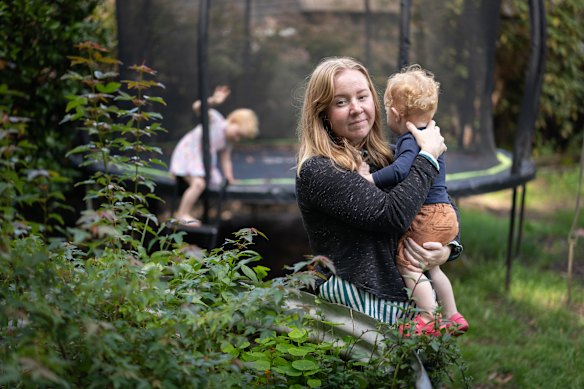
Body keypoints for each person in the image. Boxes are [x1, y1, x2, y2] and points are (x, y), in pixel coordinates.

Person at [295, 56, 463, 334]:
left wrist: (446, 249)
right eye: (341, 102)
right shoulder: (318, 170)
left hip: (411, 307)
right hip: (360, 310)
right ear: (322, 112)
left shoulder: (388, 156)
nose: (356, 109)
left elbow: (440, 203)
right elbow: (391, 215)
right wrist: (428, 158)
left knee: (420, 376)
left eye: (363, 97)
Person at [358, 65, 468, 336]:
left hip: (428, 213)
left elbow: (399, 170)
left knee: (409, 264)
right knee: (435, 269)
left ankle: (427, 318)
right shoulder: (430, 136)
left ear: (395, 113)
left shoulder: (410, 140)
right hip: (446, 214)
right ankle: (453, 315)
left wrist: (369, 180)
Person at [170, 86, 259, 225]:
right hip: (189, 155)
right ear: (233, 121)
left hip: (202, 160)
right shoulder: (216, 120)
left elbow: (226, 160)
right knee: (199, 184)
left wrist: (229, 178)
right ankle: (181, 214)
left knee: (213, 183)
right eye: (238, 134)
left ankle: (202, 213)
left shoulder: (228, 142)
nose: (237, 139)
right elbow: (197, 107)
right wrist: (213, 100)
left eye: (241, 138)